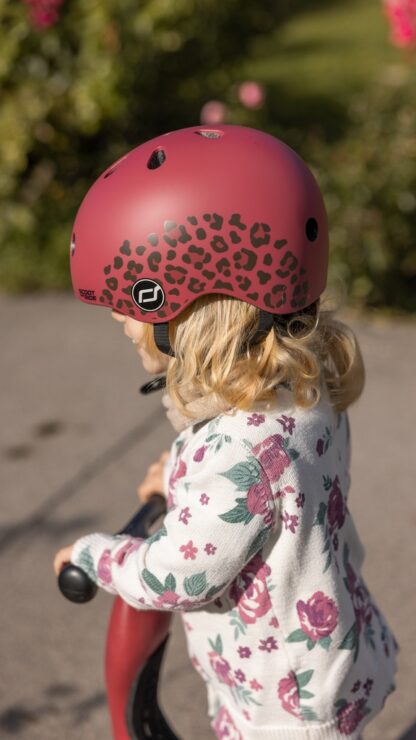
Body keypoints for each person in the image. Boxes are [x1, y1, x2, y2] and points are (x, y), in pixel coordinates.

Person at [54, 125, 398, 739]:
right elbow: (272, 491)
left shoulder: (241, 448)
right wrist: (181, 479)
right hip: (321, 663)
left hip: (280, 710)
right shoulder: (305, 385)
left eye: (129, 304)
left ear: (193, 305)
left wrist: (94, 557)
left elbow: (176, 575)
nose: (118, 318)